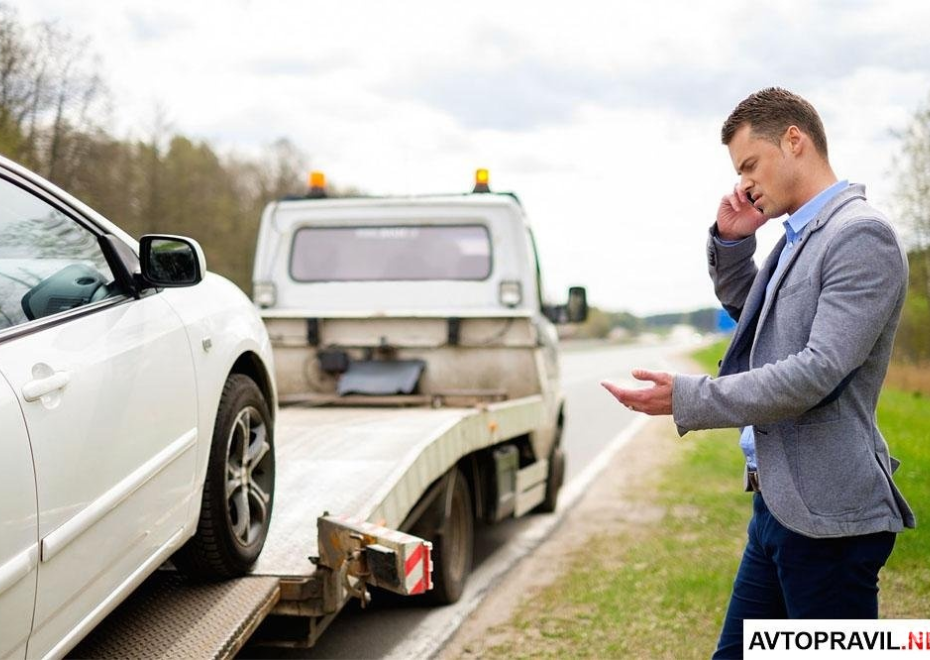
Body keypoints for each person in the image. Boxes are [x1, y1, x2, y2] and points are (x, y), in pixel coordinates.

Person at [601, 87, 914, 659]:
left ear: (794, 140)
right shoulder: (800, 235)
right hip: (777, 505)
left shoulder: (858, 235)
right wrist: (733, 242)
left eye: (750, 164)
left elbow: (814, 373)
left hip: (830, 522)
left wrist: (688, 398)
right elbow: (761, 320)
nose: (744, 183)